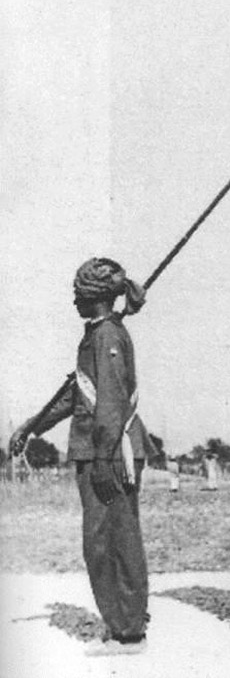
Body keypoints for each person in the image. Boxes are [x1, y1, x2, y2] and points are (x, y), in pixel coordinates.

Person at [10, 257, 151, 656]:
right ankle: (126, 621)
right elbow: (78, 393)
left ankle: (128, 632)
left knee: (110, 541)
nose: (74, 300)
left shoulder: (107, 335)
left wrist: (103, 461)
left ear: (95, 295)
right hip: (102, 451)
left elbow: (110, 402)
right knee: (107, 539)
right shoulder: (99, 334)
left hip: (109, 453)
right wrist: (32, 426)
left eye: (78, 292)